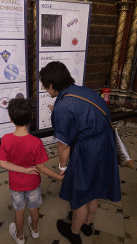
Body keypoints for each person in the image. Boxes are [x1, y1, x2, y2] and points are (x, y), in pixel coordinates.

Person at [39, 61, 121, 244]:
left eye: (45, 86)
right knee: (95, 188)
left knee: (81, 192)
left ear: (51, 85)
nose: (46, 90)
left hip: (88, 151)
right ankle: (87, 224)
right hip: (105, 145)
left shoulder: (63, 106)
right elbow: (81, 111)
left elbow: (63, 146)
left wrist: (62, 167)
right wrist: (59, 111)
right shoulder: (83, 91)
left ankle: (74, 233)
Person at [0, 97, 64, 244]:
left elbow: (3, 163)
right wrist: (58, 177)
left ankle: (20, 237)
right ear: (31, 117)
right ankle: (35, 230)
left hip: (15, 184)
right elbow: (42, 168)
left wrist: (22, 170)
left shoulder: (6, 139)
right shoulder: (36, 142)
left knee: (19, 210)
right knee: (34, 207)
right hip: (33, 183)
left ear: (10, 118)